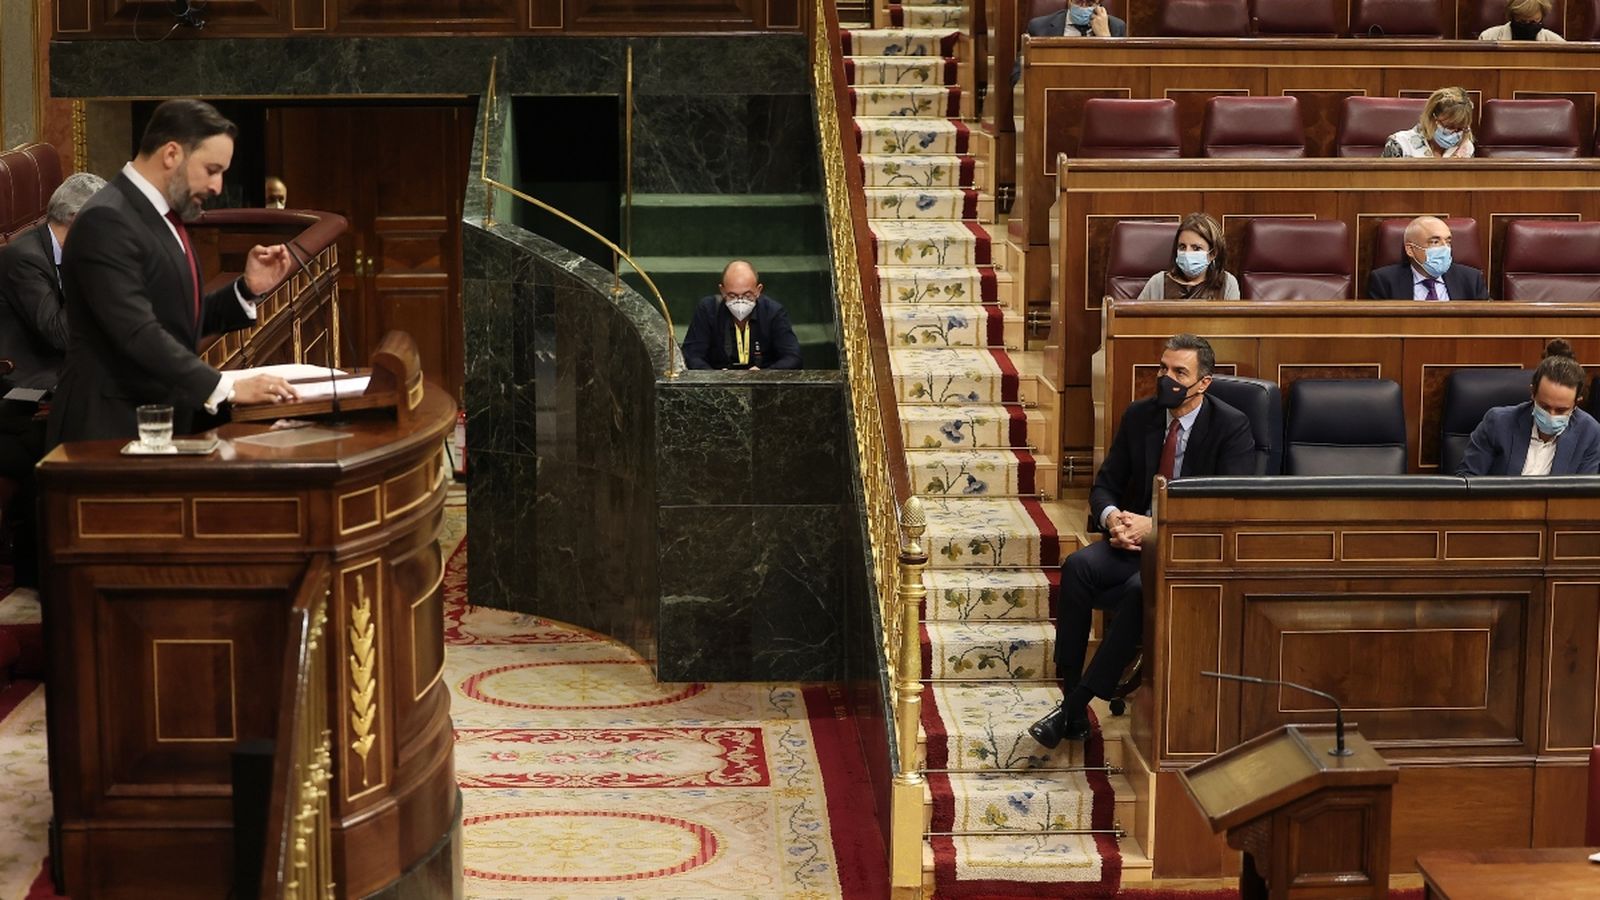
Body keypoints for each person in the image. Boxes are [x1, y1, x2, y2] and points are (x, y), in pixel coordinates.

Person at [1029, 334, 1256, 747]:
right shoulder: (1141, 416)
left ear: (1203, 383)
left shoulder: (1231, 425)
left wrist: (1157, 526)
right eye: (1162, 369)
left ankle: (1073, 708)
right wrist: (1113, 518)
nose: (1165, 379)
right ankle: (1071, 688)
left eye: (1179, 372)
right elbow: (1104, 486)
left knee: (1139, 590)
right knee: (1078, 567)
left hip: (1189, 549)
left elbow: (1229, 508)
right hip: (1131, 542)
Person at [48, 98, 301, 447]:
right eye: (212, 170)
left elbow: (174, 319)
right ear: (171, 154)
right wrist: (226, 387)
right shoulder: (106, 219)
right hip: (106, 432)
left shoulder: (163, 217)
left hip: (154, 424)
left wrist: (245, 289)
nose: (217, 187)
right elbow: (137, 333)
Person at [0, 172, 107, 391]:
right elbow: (60, 335)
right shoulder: (25, 259)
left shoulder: (68, 252)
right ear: (78, 219)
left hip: (69, 363)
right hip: (28, 378)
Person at [1457, 340, 1600, 476]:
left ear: (1576, 403)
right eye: (1545, 406)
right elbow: (1467, 481)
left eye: (1561, 410)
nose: (1551, 415)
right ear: (1533, 393)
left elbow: (1582, 495)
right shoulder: (1498, 423)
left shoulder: (1590, 434)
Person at [680, 260, 802, 371]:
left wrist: (764, 374)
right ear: (722, 290)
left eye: (747, 295)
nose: (740, 301)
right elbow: (691, 355)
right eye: (732, 295)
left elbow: (793, 358)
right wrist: (715, 377)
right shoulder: (708, 310)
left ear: (758, 290)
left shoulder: (773, 312)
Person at [1366, 215, 1488, 301]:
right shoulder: (1384, 281)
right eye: (1435, 242)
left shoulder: (1471, 279)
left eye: (1448, 241)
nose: (1445, 248)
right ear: (1410, 250)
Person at [1012, 1, 1126, 83]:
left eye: (1090, 3)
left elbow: (1123, 76)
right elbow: (1016, 75)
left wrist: (1105, 37)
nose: (1083, 7)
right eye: (1079, 2)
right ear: (1069, 1)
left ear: (1099, 4)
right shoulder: (1039, 27)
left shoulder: (1116, 27)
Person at [1136, 213, 1240, 301]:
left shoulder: (1227, 283)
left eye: (1196, 248)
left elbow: (1233, 324)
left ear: (1212, 254)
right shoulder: (1158, 283)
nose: (1187, 253)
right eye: (1182, 247)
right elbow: (1136, 321)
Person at [1380, 87, 1475, 158]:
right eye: (1449, 127)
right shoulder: (1400, 144)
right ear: (1431, 117)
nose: (1455, 134)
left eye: (1460, 129)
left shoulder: (1466, 149)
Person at [1479, 0, 1565, 41]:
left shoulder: (1556, 42)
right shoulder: (1488, 38)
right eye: (1523, 21)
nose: (1528, 25)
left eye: (1534, 22)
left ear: (1542, 17)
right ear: (1513, 16)